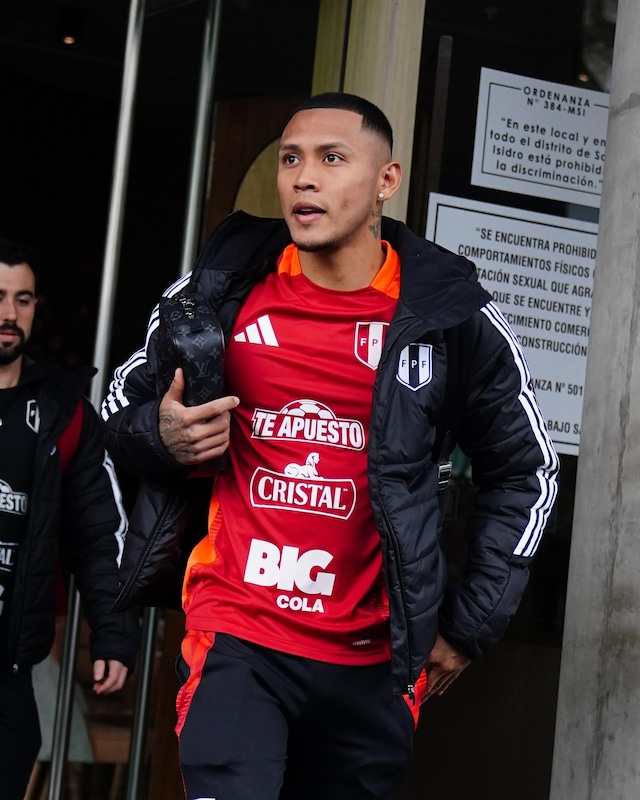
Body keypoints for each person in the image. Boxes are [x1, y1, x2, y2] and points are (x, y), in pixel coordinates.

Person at [101, 93, 559, 800]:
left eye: (332, 158)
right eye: (291, 159)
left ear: (386, 180)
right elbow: (118, 410)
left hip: (373, 659)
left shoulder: (449, 317)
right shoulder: (217, 294)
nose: (304, 178)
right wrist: (162, 435)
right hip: (238, 634)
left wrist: (468, 625)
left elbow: (526, 470)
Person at [0, 239, 140, 799]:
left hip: (8, 665)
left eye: (23, 300)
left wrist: (114, 634)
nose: (9, 314)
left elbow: (101, 534)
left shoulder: (65, 414)